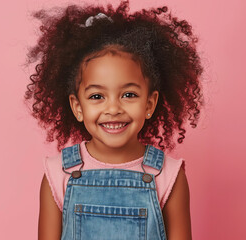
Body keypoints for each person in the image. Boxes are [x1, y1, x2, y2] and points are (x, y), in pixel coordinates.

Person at [24, 0, 204, 239]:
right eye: (97, 96)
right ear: (77, 107)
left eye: (129, 95)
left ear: (149, 104)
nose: (113, 108)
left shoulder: (168, 175)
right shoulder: (59, 174)